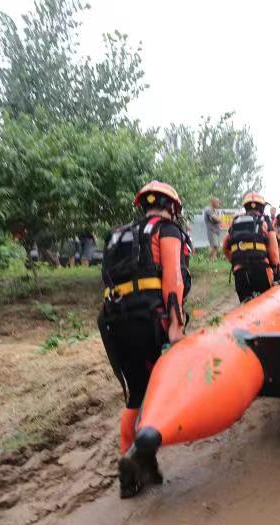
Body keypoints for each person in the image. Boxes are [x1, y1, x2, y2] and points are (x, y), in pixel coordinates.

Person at [98, 180, 191, 499]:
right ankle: (141, 455)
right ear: (172, 207)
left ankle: (133, 460)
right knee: (162, 388)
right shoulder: (167, 230)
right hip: (147, 318)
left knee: (137, 393)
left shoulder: (119, 234)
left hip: (114, 319)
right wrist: (175, 326)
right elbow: (173, 279)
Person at [222, 193, 280, 302]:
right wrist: (275, 272)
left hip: (240, 272)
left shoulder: (236, 221)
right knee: (266, 306)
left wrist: (235, 262)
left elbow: (225, 247)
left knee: (245, 307)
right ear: (262, 207)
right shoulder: (265, 220)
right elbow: (274, 254)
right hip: (261, 270)